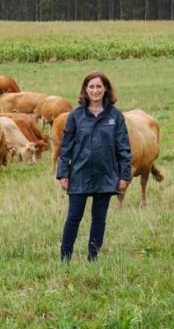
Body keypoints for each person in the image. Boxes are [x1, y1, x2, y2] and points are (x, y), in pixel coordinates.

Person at [56, 71, 132, 262]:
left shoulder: (115, 116)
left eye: (99, 86)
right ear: (85, 90)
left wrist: (124, 176)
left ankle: (93, 257)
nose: (95, 90)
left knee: (99, 219)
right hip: (80, 173)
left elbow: (123, 148)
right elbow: (66, 147)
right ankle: (65, 258)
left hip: (105, 174)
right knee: (74, 217)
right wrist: (63, 173)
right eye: (91, 87)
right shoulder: (75, 116)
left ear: (105, 88)